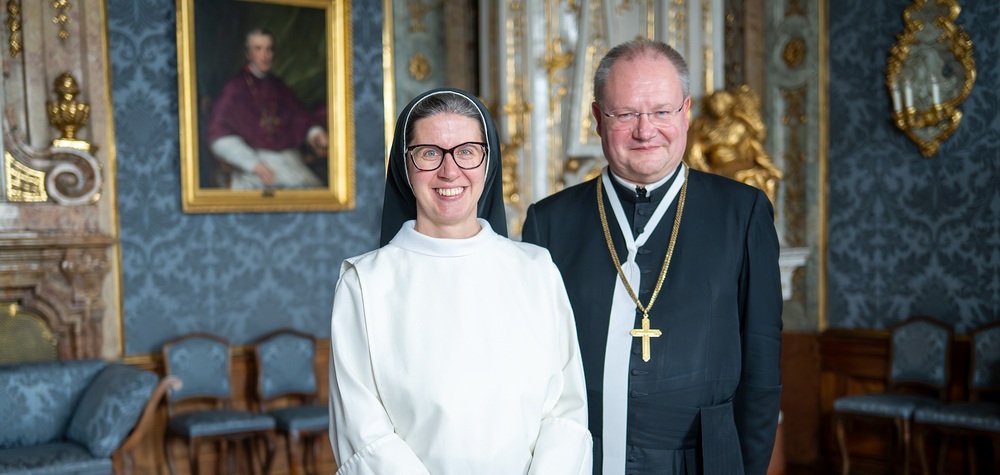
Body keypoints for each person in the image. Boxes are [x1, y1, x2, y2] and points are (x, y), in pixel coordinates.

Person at [522, 39, 782, 475]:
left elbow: (761, 364)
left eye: (661, 112)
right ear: (597, 119)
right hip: (582, 459)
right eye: (625, 114)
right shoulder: (549, 223)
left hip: (703, 462)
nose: (645, 131)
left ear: (686, 112)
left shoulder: (743, 212)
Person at [328, 88, 592, 474]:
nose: (449, 171)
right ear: (406, 166)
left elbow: (565, 413)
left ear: (488, 163)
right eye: (430, 153)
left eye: (467, 151)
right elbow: (363, 433)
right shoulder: (364, 285)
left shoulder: (537, 271)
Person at [206, 28, 326, 189]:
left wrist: (315, 133)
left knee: (314, 190)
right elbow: (218, 136)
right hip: (254, 166)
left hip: (288, 159)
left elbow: (299, 116)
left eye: (269, 49)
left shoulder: (278, 86)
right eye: (258, 49)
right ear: (248, 54)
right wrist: (253, 164)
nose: (265, 55)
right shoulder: (234, 88)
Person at [686, 85, 784, 207]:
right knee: (742, 182)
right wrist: (705, 172)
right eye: (714, 101)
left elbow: (755, 145)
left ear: (729, 104)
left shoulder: (739, 126)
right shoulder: (703, 126)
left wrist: (769, 167)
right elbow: (695, 153)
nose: (716, 105)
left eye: (720, 101)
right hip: (721, 168)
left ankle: (762, 220)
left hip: (741, 164)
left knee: (765, 180)